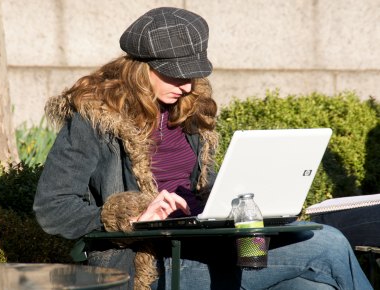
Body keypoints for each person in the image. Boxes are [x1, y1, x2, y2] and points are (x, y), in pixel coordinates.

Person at [33, 7, 372, 290]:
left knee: (312, 287)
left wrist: (238, 198)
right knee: (327, 242)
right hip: (150, 262)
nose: (186, 86)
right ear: (140, 68)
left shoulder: (192, 106)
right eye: (174, 76)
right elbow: (52, 208)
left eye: (191, 75)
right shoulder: (95, 117)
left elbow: (198, 187)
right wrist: (132, 216)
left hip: (212, 243)